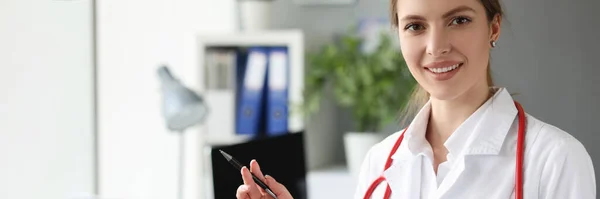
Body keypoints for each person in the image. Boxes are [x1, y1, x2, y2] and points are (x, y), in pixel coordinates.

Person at [234, 0, 597, 198]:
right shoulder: (379, 164)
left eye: (458, 20)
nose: (436, 47)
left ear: (494, 27)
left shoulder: (555, 159)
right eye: (415, 26)